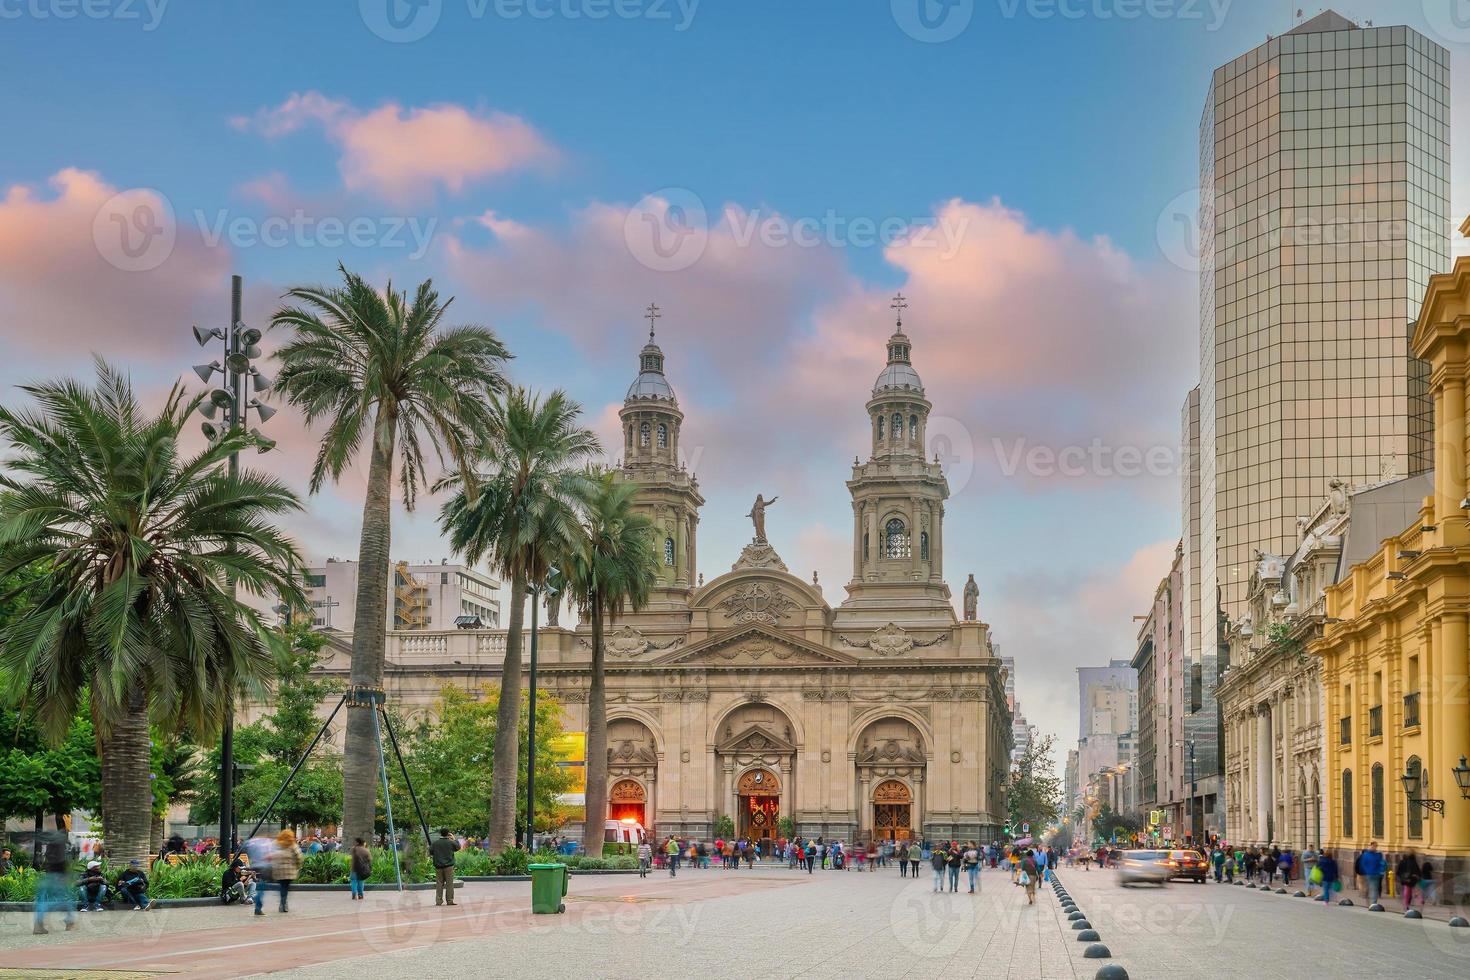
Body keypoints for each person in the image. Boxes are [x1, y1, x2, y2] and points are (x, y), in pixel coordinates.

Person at [32, 839, 76, 935]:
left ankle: (38, 924)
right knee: (65, 899)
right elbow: (62, 861)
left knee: (42, 900)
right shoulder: (61, 845)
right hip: (58, 876)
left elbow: (46, 860)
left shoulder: (50, 846)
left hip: (49, 875)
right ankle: (70, 920)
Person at [1358, 841, 1386, 906]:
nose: (1375, 847)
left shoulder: (1368, 855)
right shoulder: (1378, 855)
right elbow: (1381, 863)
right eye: (1374, 846)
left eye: (1375, 846)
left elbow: (1363, 864)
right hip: (1372, 873)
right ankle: (1373, 902)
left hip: (1373, 874)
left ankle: (1372, 902)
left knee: (1373, 888)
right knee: (1373, 888)